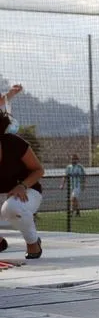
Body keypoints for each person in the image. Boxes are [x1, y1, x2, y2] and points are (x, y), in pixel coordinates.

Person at [0, 111, 44, 259]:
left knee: (12, 207)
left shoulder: (14, 143)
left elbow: (39, 170)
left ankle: (33, 243)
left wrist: (22, 186)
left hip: (26, 192)